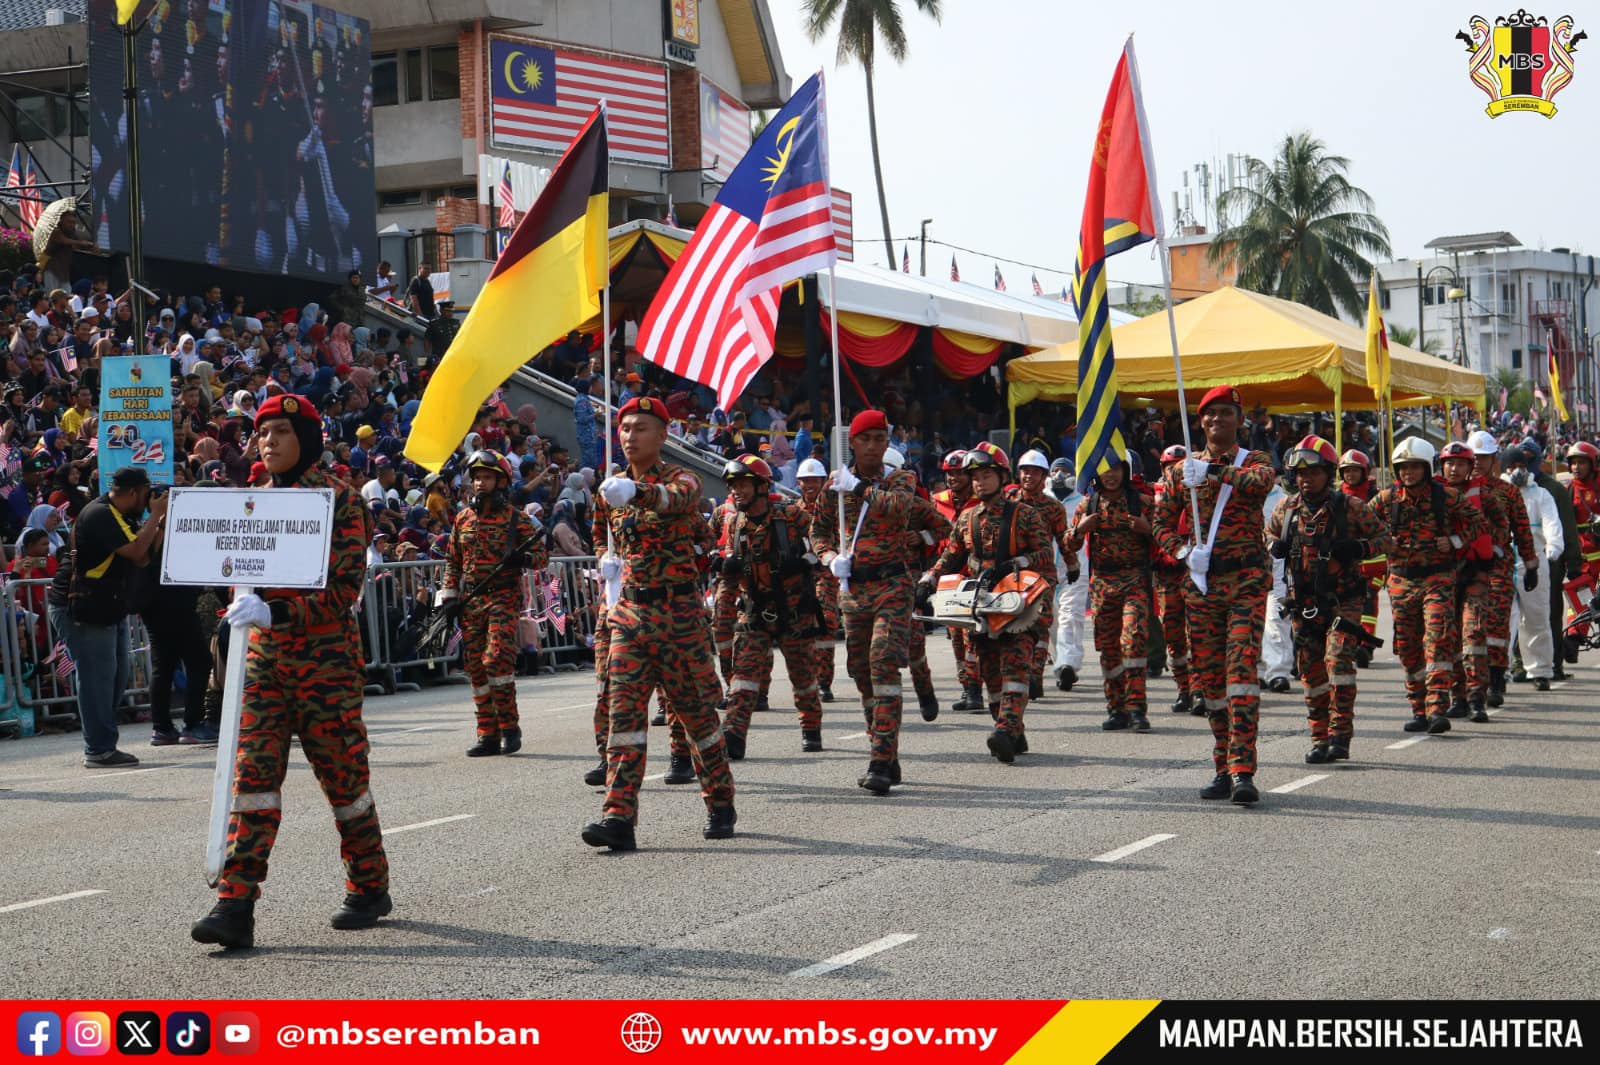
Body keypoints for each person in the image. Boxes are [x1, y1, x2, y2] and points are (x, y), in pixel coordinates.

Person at [190, 393, 391, 950]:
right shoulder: (249, 502)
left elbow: (344, 589)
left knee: (345, 784)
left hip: (325, 663)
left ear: (306, 438)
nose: (268, 442)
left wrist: (277, 611)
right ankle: (235, 903)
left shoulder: (341, 502)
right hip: (264, 665)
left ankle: (369, 884)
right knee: (252, 781)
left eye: (280, 431)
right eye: (261, 433)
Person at [582, 396, 735, 851]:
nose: (630, 436)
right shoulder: (610, 489)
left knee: (696, 719)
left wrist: (638, 492)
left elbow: (678, 499)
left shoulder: (678, 479)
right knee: (623, 720)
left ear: (663, 435)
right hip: (629, 616)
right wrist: (605, 559)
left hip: (678, 619)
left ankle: (720, 801)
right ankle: (618, 816)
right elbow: (599, 532)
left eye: (641, 428)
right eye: (625, 428)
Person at [1152, 385, 1278, 804]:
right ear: (1199, 422)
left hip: (1245, 582)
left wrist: (1213, 473)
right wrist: (1184, 550)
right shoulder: (1179, 473)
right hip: (1202, 586)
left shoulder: (1252, 461)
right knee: (1210, 682)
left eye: (1226, 413)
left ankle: (1243, 769)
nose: (1216, 420)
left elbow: (1259, 483)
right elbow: (1160, 524)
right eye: (1209, 414)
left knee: (1241, 674)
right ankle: (1223, 766)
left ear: (1239, 420)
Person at [812, 410, 919, 795]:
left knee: (882, 662)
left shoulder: (900, 478)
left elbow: (897, 507)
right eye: (865, 439)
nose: (873, 445)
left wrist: (857, 487)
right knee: (860, 671)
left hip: (892, 584)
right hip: (854, 590)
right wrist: (828, 557)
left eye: (880, 438)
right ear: (852, 443)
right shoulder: (833, 485)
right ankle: (887, 751)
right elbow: (818, 529)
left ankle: (878, 758)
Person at [1266, 436, 1392, 763]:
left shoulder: (1350, 507)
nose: (1306, 479)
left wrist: (1360, 548)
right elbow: (1267, 535)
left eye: (1314, 473)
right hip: (1303, 603)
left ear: (1329, 472)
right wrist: (1273, 546)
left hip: (1343, 600)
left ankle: (1340, 734)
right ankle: (1319, 738)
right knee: (1310, 672)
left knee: (1337, 663)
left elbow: (1385, 539)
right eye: (1300, 474)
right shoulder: (1286, 507)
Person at [922, 446, 1051, 761]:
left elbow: (1045, 553)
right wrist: (927, 581)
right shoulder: (967, 518)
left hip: (1020, 603)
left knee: (1016, 665)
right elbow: (951, 556)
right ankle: (1012, 729)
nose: (979, 482)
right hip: (982, 603)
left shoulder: (1025, 514)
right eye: (975, 477)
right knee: (990, 670)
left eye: (986, 475)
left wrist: (1018, 560)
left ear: (1001, 477)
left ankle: (1005, 730)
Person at [46, 466, 168, 769]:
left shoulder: (121, 513)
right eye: (145, 494)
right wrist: (154, 516)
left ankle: (103, 743)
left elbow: (144, 556)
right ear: (132, 493)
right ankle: (99, 749)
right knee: (96, 680)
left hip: (106, 605)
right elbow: (137, 550)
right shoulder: (100, 514)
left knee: (114, 679)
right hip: (79, 607)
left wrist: (160, 523)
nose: (149, 499)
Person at [1368, 438, 1482, 734]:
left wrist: (1455, 541)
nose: (1408, 473)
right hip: (1401, 581)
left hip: (1438, 579)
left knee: (1437, 640)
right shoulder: (1385, 499)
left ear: (1426, 468)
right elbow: (1362, 524)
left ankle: (1436, 709)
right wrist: (1382, 543)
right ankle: (1418, 709)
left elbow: (1475, 520)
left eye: (1414, 467)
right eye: (1403, 467)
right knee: (1407, 647)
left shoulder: (1445, 497)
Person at [437, 449, 545, 757]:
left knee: (496, 660)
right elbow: (452, 562)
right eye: (477, 478)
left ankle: (510, 727)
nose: (480, 483)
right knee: (475, 668)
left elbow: (541, 557)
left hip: (503, 596)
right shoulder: (462, 519)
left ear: (501, 482)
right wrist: (449, 597)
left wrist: (522, 557)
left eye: (487, 477)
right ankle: (487, 733)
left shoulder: (517, 519)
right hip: (471, 600)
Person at [717, 455, 826, 757]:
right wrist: (725, 567)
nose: (737, 491)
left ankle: (811, 727)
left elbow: (823, 540)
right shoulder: (733, 522)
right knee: (744, 676)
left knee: (802, 676)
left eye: (743, 484)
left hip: (794, 611)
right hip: (754, 610)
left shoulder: (791, 515)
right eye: (733, 485)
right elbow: (730, 557)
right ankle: (734, 735)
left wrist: (808, 560)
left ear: (762, 487)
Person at [1067, 451, 1155, 732]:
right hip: (1103, 583)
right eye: (1105, 469)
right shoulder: (1088, 504)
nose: (1111, 475)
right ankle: (1116, 709)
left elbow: (1166, 537)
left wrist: (1147, 529)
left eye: (1117, 468)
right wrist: (1080, 530)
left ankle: (1137, 708)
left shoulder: (1141, 503)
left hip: (1134, 580)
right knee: (1108, 649)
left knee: (1134, 640)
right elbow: (1070, 545)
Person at [1464, 430, 1538, 710]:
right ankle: (1466, 686)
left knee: (1496, 625)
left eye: (1484, 458)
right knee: (1464, 628)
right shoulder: (1453, 490)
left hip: (1498, 564)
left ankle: (1496, 679)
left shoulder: (1507, 491)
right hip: (1462, 567)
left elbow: (1522, 530)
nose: (1478, 463)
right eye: (1474, 457)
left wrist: (1531, 566)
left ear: (1494, 458)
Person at [1438, 440, 1506, 723]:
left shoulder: (1485, 495)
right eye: (1450, 463)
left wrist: (1495, 547)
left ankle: (1478, 697)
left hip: (1476, 572)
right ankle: (1459, 697)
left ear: (1470, 468)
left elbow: (1501, 523)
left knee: (1474, 633)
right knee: (1447, 636)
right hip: (1442, 574)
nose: (1454, 469)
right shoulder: (1431, 494)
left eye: (1461, 464)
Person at [1008, 450, 1070, 700]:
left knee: (1041, 624)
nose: (1028, 476)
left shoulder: (1053, 507)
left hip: (1043, 572)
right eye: (1024, 471)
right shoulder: (1008, 501)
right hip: (1012, 573)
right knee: (1014, 624)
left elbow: (1063, 541)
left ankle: (1035, 674)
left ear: (1044, 476)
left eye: (1034, 472)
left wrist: (1073, 565)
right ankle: (1017, 674)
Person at [1502, 444, 1562, 691]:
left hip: (1534, 562)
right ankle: (1498, 670)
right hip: (1503, 561)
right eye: (1512, 466)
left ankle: (1539, 670)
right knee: (1503, 619)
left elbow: (1551, 522)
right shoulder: (1498, 493)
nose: (1518, 471)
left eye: (1522, 467)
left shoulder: (1540, 495)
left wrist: (1554, 546)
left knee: (1536, 617)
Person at [932, 450, 982, 708]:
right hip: (947, 576)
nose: (953, 478)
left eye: (959, 473)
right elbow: (925, 531)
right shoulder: (937, 501)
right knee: (955, 636)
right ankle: (966, 687)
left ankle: (975, 689)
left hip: (975, 576)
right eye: (949, 473)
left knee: (972, 635)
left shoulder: (982, 500)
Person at [1151, 446, 1196, 713]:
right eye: (1170, 466)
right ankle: (1183, 688)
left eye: (1180, 465)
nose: (1174, 471)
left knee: (1198, 634)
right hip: (1166, 575)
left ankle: (1201, 688)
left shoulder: (1199, 495)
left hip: (1194, 573)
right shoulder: (1151, 497)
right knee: (1173, 633)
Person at [795, 457, 839, 703]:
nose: (809, 485)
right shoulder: (792, 511)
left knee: (826, 622)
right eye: (805, 481)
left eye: (814, 480)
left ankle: (823, 681)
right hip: (800, 574)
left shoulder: (834, 508)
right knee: (801, 626)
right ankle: (807, 680)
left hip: (826, 571)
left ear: (823, 482)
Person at [1046, 457, 1088, 694]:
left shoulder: (1083, 502)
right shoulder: (1040, 500)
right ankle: (1059, 658)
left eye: (1064, 471)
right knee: (1050, 620)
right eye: (1055, 471)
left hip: (1076, 569)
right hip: (1044, 570)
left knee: (1071, 617)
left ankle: (1067, 665)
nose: (1059, 475)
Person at [1337, 449, 1384, 663]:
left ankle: (1366, 646)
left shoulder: (1375, 496)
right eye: (1347, 471)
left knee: (1368, 604)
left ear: (1364, 472)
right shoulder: (1335, 496)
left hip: (1372, 560)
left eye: (1355, 470)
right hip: (1344, 560)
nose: (1351, 475)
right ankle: (1349, 643)